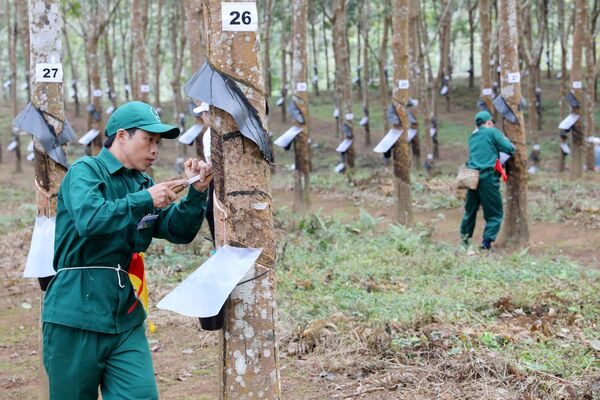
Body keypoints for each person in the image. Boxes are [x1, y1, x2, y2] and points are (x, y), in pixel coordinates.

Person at [41, 101, 212, 399]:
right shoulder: (87, 171)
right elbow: (90, 219)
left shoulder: (141, 183)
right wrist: (145, 199)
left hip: (124, 313)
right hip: (75, 312)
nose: (155, 149)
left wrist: (196, 195)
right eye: (148, 139)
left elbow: (178, 230)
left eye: (158, 142)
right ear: (121, 136)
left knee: (141, 394)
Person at [460, 110, 515, 250]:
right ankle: (486, 243)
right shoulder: (492, 132)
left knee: (470, 211)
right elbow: (510, 149)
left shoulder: (472, 137)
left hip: (471, 176)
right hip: (487, 176)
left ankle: (464, 242)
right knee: (495, 213)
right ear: (489, 122)